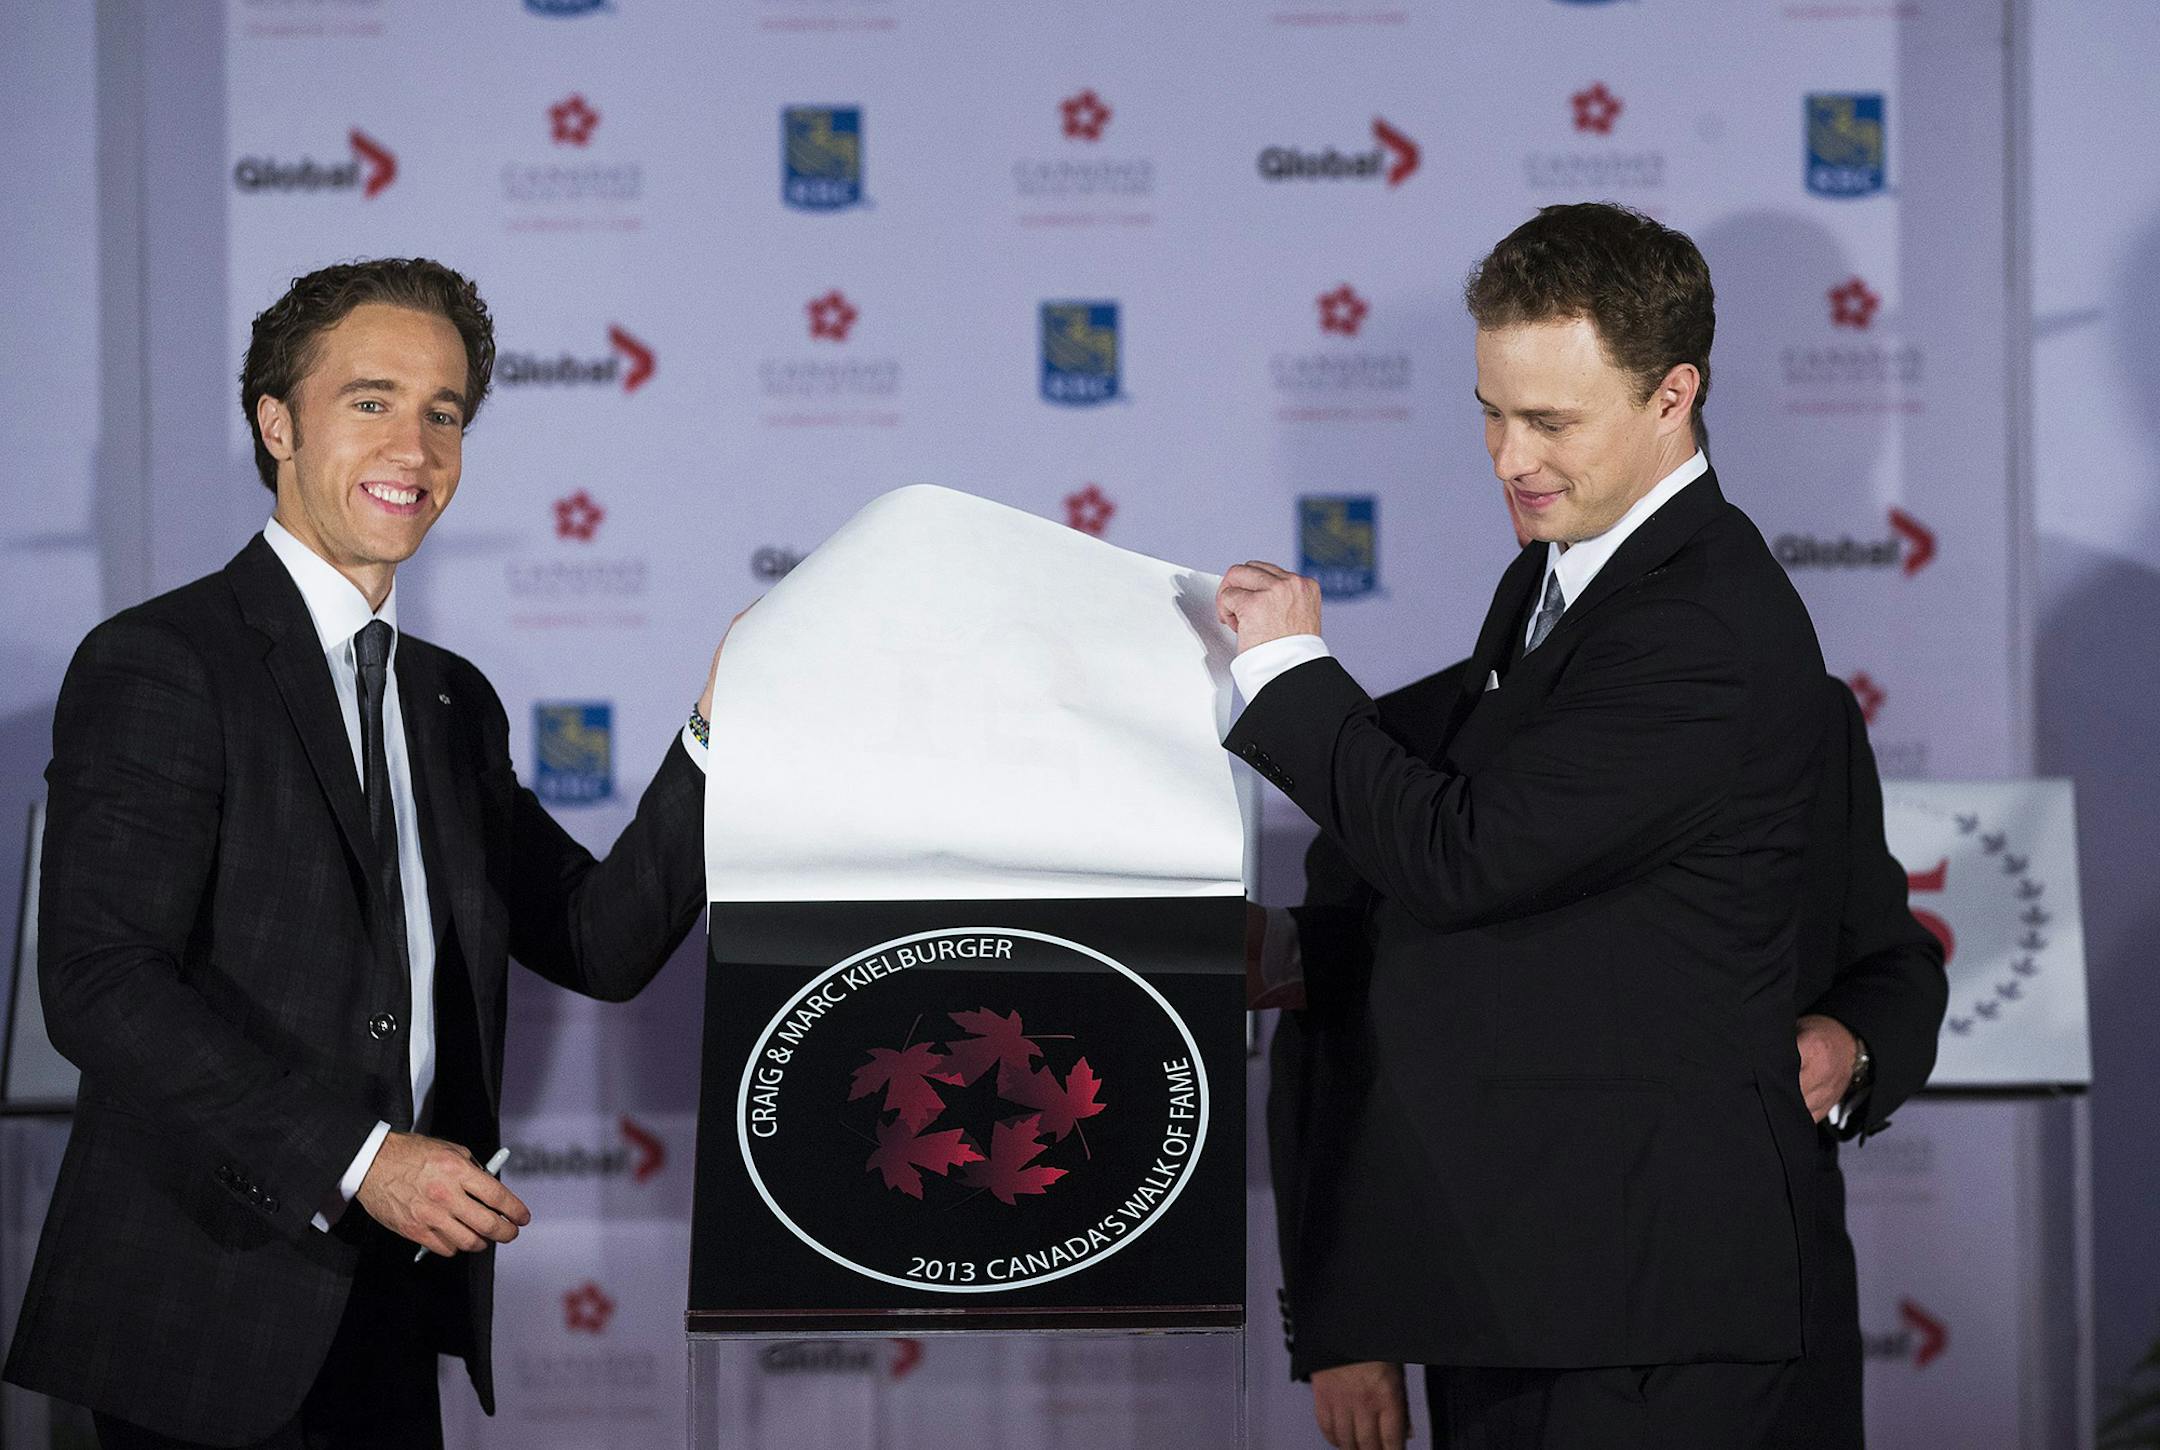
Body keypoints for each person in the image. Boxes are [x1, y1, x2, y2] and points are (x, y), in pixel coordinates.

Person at [4, 258, 726, 1449]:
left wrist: (718, 732)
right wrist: (364, 1160)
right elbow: (100, 982)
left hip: (394, 1300)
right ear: (277, 424)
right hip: (203, 1305)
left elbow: (601, 940)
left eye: (445, 413)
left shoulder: (452, 701)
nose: (416, 447)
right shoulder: (164, 660)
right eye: (372, 400)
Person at [1218, 202, 1833, 1448]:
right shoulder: (1562, 571)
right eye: (1492, 413)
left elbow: (1467, 856)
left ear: (1674, 396)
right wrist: (1298, 952)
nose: (1511, 457)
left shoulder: (1700, 625)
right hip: (1533, 1281)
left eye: (1553, 421)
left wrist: (1286, 676)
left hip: (1642, 1309)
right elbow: (1555, 914)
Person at [1264, 494, 1948, 1450]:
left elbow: (1891, 959)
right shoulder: (1401, 746)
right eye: (1502, 427)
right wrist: (1343, 1325)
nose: (1520, 462)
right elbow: (1331, 1039)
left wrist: (1852, 1046)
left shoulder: (1794, 711)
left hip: (1750, 1291)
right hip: (1498, 1305)